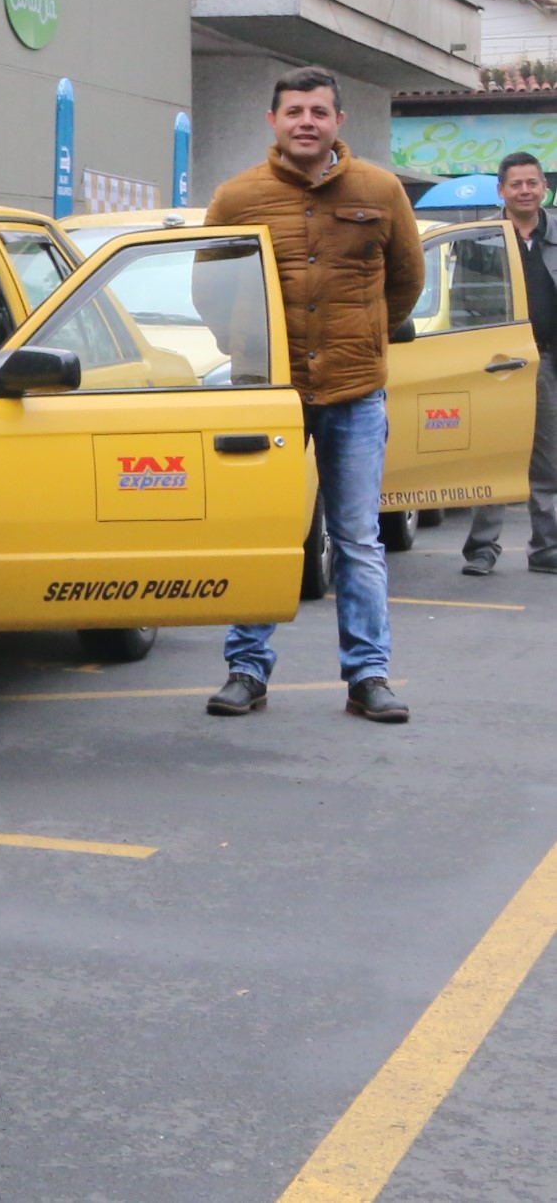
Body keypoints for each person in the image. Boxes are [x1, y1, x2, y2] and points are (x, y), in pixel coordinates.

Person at [201, 67, 420, 721]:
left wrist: (369, 341)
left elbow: (405, 282)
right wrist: (247, 350)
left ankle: (368, 677)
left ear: (337, 122)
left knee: (357, 539)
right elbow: (208, 290)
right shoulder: (237, 198)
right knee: (261, 530)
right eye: (294, 110)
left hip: (354, 393)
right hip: (267, 395)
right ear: (273, 120)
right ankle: (246, 670)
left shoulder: (380, 190)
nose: (306, 121)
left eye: (319, 111)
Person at [461, 151, 557, 577]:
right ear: (501, 190)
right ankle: (483, 548)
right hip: (496, 364)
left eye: (532, 183)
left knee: (547, 460)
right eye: (516, 184)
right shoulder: (479, 239)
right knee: (494, 455)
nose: (524, 190)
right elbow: (461, 303)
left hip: (548, 360)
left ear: (544, 189)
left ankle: (546, 548)